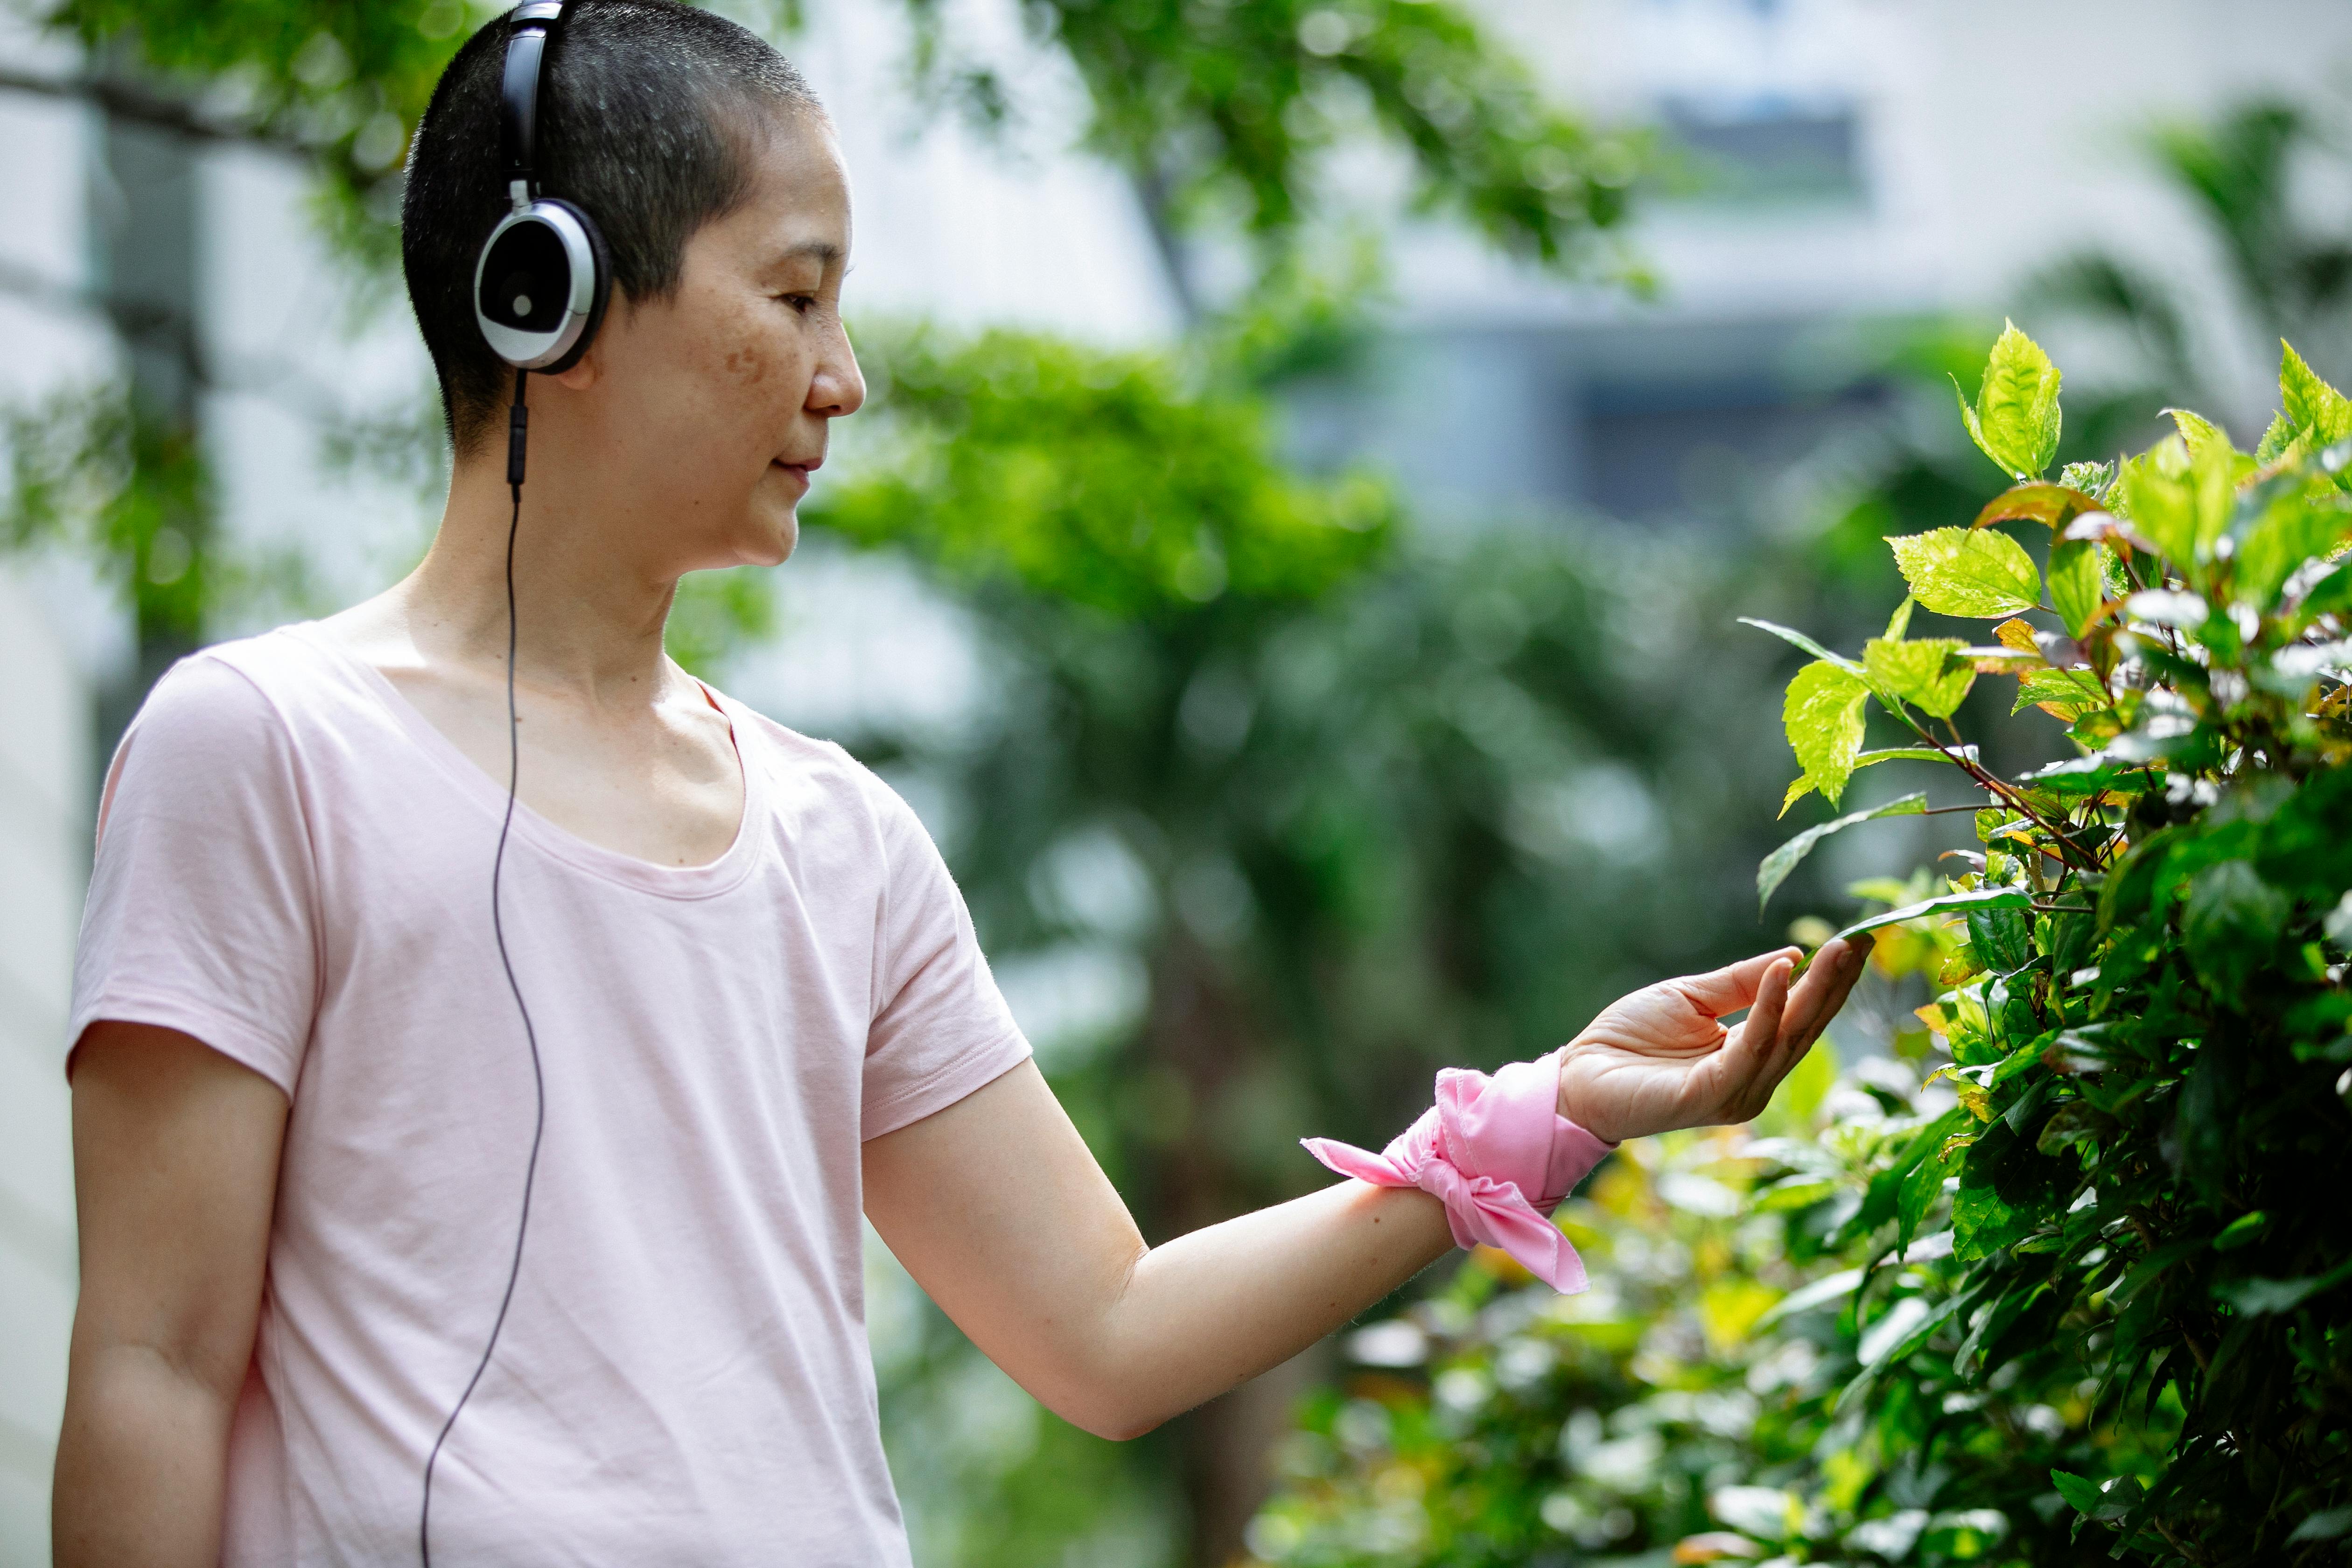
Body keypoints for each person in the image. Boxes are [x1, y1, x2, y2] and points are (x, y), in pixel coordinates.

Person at [50, 3, 1872, 1563]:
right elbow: (153, 1365)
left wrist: (1550, 1109)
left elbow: (1104, 1327)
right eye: (796, 295)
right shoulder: (262, 748)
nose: (844, 382)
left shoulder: (841, 839)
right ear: (559, 300)